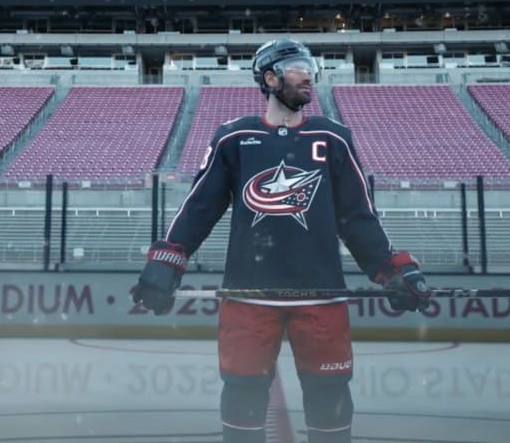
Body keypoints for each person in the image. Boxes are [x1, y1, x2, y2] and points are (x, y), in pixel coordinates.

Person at [133, 37, 431, 443]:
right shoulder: (233, 138)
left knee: (330, 395)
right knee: (242, 395)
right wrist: (166, 263)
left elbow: (358, 216)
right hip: (248, 295)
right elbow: (199, 208)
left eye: (310, 66)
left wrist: (390, 268)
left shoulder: (333, 137)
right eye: (296, 67)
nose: (308, 74)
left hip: (320, 295)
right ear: (270, 78)